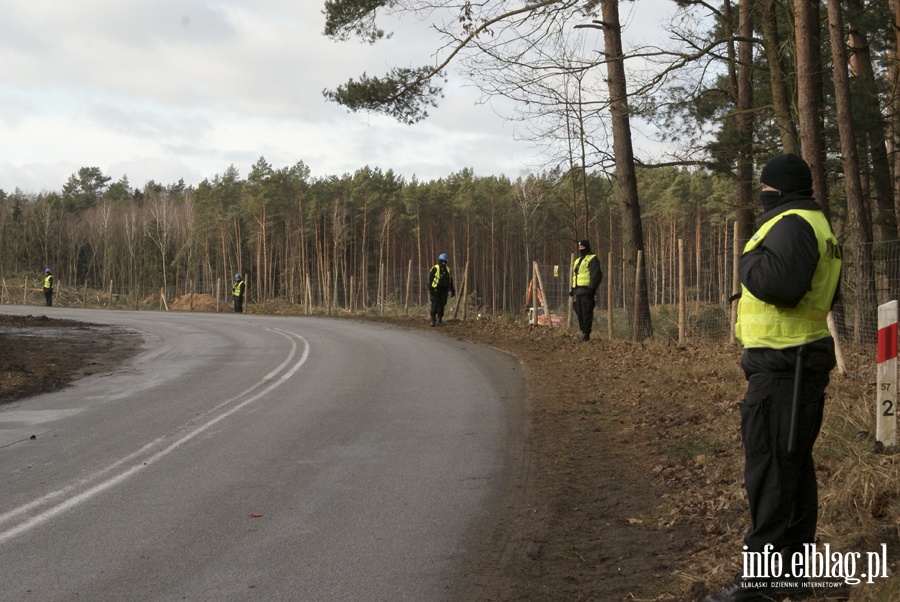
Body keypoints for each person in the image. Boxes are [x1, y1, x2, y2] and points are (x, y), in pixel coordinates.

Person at [705, 154, 841, 602]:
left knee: (768, 470)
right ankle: (794, 574)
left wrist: (746, 265)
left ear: (775, 190)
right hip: (797, 364)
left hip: (786, 366)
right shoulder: (815, 225)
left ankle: (760, 582)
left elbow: (781, 286)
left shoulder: (792, 224)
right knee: (793, 468)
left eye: (765, 189)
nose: (762, 195)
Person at [569, 240, 602, 342]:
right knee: (579, 313)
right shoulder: (578, 260)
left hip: (587, 291)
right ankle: (583, 332)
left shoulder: (593, 259)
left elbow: (596, 275)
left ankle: (586, 334)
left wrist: (592, 288)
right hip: (578, 292)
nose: (581, 249)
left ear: (587, 247)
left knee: (586, 313)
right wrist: (573, 289)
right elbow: (576, 276)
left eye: (583, 247)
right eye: (579, 248)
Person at [428, 253, 455, 326]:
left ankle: (439, 319)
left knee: (442, 305)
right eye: (443, 261)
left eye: (445, 262)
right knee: (435, 304)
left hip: (444, 290)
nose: (444, 263)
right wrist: (431, 291)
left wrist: (452, 290)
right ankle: (433, 320)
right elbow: (430, 280)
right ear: (440, 261)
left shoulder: (448, 269)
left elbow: (450, 280)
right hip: (436, 290)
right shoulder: (435, 268)